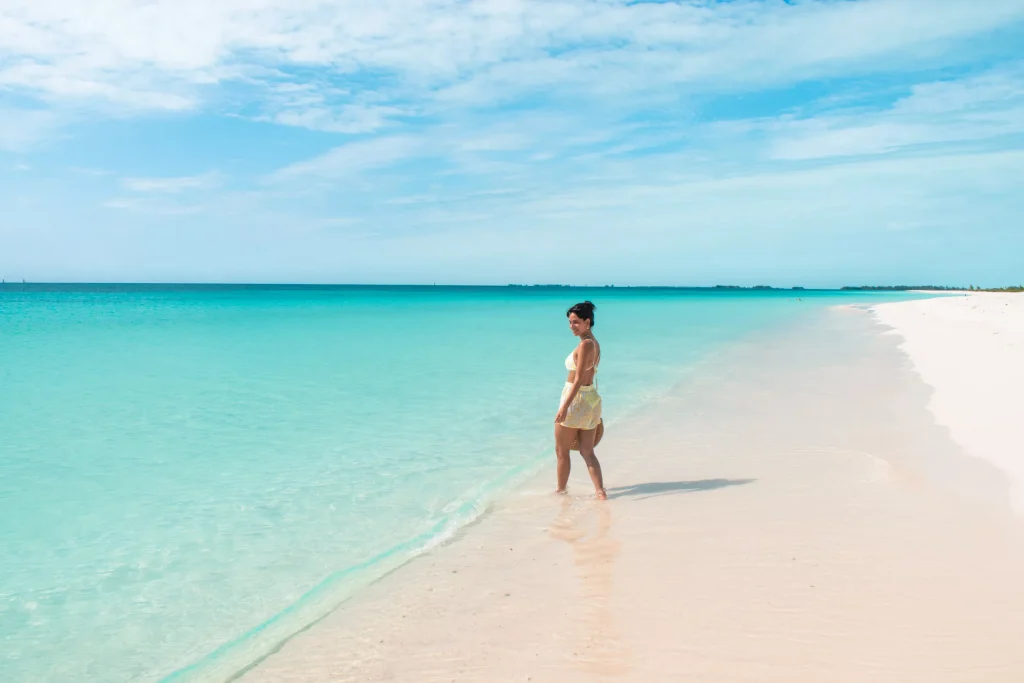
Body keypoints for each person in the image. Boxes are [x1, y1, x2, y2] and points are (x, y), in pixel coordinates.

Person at [554, 301, 606, 499]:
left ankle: (560, 492)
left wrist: (564, 407)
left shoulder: (585, 345)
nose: (571, 326)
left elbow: (577, 380)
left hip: (576, 400)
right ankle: (600, 492)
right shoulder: (595, 343)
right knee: (587, 450)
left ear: (587, 322)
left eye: (576, 322)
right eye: (569, 322)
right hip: (591, 399)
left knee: (561, 450)